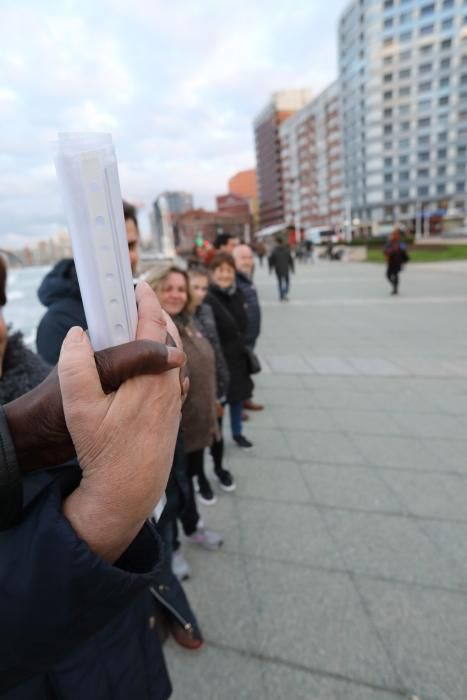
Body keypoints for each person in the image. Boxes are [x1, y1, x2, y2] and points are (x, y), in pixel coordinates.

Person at [0, 280, 186, 699]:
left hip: (129, 653)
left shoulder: (57, 397)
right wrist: (105, 517)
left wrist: (18, 438)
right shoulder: (59, 333)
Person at [36, 201, 140, 365]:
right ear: (86, 250)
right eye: (114, 248)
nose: (127, 258)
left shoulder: (138, 300)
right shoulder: (57, 323)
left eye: (131, 246)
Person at [189, 266, 236, 493]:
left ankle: (219, 468)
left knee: (218, 433)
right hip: (196, 392)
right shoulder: (180, 317)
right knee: (198, 440)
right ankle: (201, 479)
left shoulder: (207, 309)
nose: (199, 293)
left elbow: (217, 345)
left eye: (204, 288)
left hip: (217, 383)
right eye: (195, 288)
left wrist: (224, 380)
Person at [205, 253, 254, 449]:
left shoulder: (238, 294)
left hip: (238, 357)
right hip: (219, 359)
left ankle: (237, 432)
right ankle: (216, 440)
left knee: (238, 398)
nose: (225, 275)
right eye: (220, 271)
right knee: (220, 403)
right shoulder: (208, 298)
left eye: (229, 270)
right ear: (213, 273)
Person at [233, 244, 264, 412]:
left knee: (246, 370)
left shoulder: (246, 277)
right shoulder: (234, 279)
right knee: (239, 372)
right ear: (234, 260)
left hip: (251, 335)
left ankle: (245, 399)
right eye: (243, 258)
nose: (248, 261)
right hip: (241, 337)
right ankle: (238, 407)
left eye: (250, 257)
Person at [384, 229, 409, 295]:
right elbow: (385, 250)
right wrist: (389, 252)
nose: (395, 236)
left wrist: (404, 260)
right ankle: (394, 286)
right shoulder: (389, 242)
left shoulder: (400, 243)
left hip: (398, 262)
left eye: (396, 235)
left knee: (395, 275)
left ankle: (395, 288)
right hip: (391, 262)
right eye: (394, 234)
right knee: (388, 275)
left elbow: (404, 251)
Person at [269, 236, 294, 301]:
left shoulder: (274, 250)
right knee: (287, 281)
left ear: (277, 242)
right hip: (286, 268)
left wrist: (270, 269)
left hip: (278, 268)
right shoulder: (286, 249)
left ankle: (281, 294)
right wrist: (292, 268)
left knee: (280, 282)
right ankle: (284, 292)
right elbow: (290, 260)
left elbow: (271, 260)